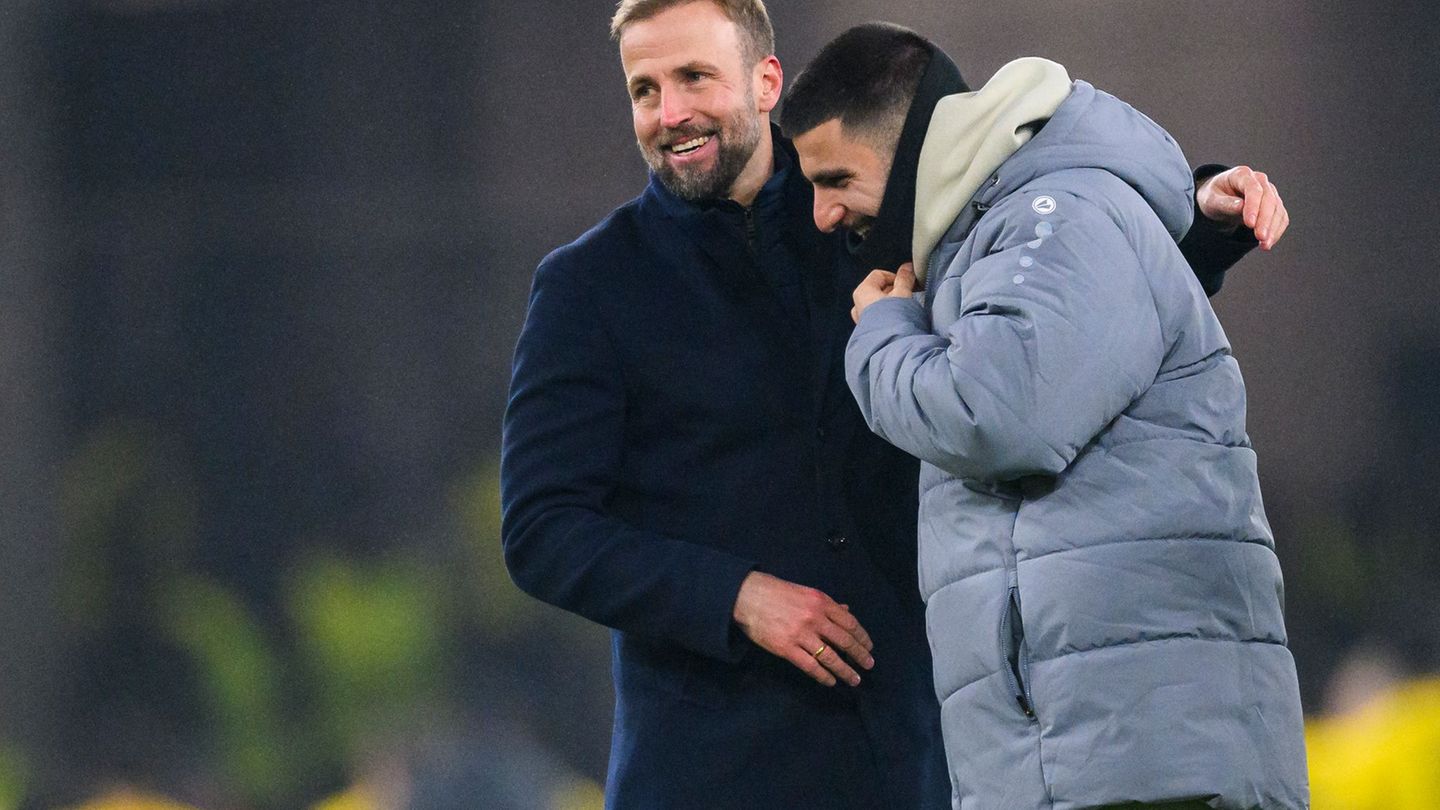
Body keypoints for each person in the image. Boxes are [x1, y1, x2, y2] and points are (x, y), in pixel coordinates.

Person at [500, 2, 1289, 807]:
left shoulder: (881, 214)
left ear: (767, 81)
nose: (670, 114)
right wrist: (734, 597)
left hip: (920, 745)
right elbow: (541, 530)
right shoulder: (588, 287)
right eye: (644, 89)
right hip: (711, 764)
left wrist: (1195, 216)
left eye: (694, 78)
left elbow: (1036, 237)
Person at [782, 22, 1308, 810]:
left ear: (912, 149)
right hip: (1092, 759)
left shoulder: (1054, 216)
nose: (823, 214)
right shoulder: (997, 235)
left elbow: (996, 418)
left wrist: (883, 335)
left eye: (834, 179)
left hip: (1143, 765)